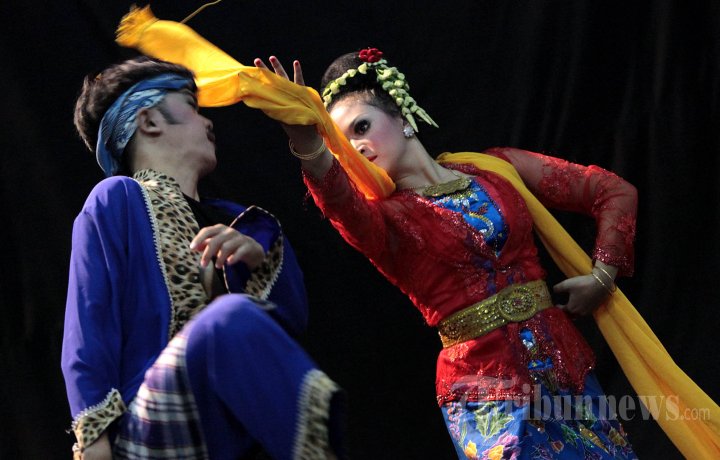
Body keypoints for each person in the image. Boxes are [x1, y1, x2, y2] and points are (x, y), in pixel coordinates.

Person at [252, 50, 638, 459]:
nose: (357, 148)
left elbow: (613, 192)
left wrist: (603, 277)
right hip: (487, 394)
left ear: (401, 114)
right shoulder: (386, 222)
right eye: (344, 146)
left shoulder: (496, 169)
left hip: (565, 371)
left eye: (362, 127)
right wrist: (308, 142)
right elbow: (339, 201)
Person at [61, 56, 344, 460]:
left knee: (239, 325)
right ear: (149, 121)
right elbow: (88, 325)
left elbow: (292, 322)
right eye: (192, 107)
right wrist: (94, 442)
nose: (209, 122)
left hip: (225, 427)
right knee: (230, 318)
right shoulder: (117, 199)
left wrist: (257, 261)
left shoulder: (245, 224)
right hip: (149, 427)